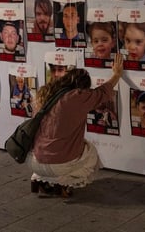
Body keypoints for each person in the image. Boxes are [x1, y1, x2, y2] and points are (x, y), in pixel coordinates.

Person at [29, 53, 123, 198]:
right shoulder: (76, 97)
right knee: (90, 153)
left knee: (74, 146)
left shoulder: (45, 93)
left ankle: (38, 179)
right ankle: (64, 184)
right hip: (58, 164)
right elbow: (102, 92)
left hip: (36, 160)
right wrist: (117, 74)